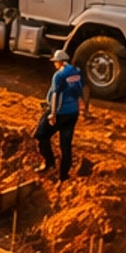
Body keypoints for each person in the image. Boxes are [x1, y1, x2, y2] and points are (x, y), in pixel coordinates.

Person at [36, 51, 89, 180]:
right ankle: (63, 175)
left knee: (41, 135)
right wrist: (85, 108)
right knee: (65, 145)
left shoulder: (59, 75)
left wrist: (53, 114)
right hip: (73, 113)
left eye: (55, 62)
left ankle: (49, 162)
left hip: (60, 112)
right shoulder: (77, 72)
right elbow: (86, 88)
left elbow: (55, 95)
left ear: (59, 62)